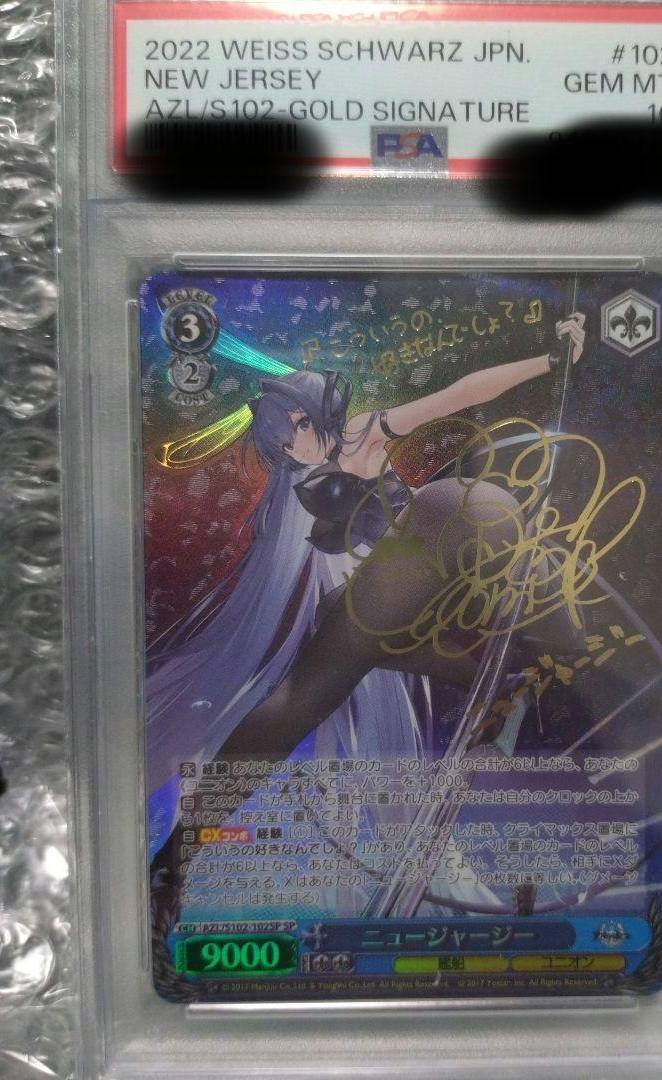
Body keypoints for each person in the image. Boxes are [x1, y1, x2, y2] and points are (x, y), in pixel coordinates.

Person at [144, 315, 586, 860]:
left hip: (440, 547)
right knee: (324, 645)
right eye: (281, 447)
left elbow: (460, 394)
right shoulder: (292, 482)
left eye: (293, 435)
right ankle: (507, 683)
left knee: (307, 689)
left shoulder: (361, 434)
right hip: (410, 585)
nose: (293, 452)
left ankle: (179, 853)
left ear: (310, 415)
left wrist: (548, 361)